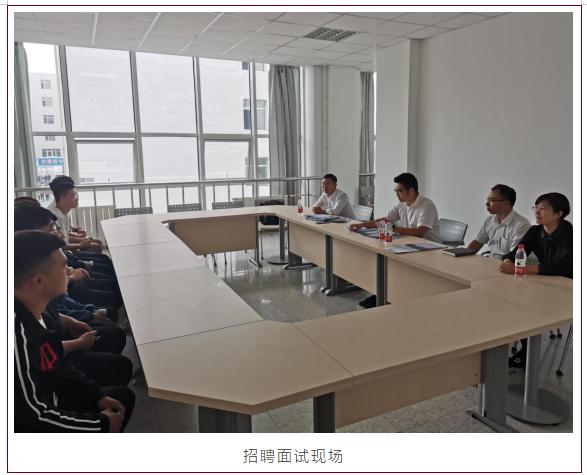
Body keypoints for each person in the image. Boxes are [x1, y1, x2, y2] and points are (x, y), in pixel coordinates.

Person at [14, 231, 134, 432]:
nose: (69, 270)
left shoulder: (36, 310)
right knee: (118, 402)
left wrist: (96, 394)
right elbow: (33, 418)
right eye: (64, 267)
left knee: (120, 397)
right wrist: (100, 424)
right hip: (37, 419)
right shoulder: (17, 336)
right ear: (39, 282)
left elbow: (58, 365)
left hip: (51, 394)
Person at [499, 192, 572, 368]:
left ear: (559, 213)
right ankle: (518, 350)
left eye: (543, 208)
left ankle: (525, 356)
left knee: (525, 306)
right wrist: (507, 261)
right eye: (535, 207)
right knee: (510, 300)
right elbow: (515, 252)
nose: (536, 212)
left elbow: (561, 267)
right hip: (544, 283)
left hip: (567, 289)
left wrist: (518, 269)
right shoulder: (534, 231)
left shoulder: (569, 233)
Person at [349, 172, 441, 308]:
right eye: (396, 191)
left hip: (430, 250)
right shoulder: (401, 205)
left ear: (411, 190)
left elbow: (420, 231)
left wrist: (394, 228)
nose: (397, 194)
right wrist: (361, 225)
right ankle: (381, 295)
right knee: (386, 260)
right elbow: (384, 221)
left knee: (394, 263)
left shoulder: (426, 205)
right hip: (410, 244)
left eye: (400, 191)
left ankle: (388, 297)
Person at [467, 184, 531, 259]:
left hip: (507, 264)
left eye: (492, 200)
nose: (487, 203)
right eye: (487, 199)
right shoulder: (490, 220)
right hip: (490, 261)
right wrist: (462, 255)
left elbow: (514, 256)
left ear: (506, 203)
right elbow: (478, 242)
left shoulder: (521, 225)